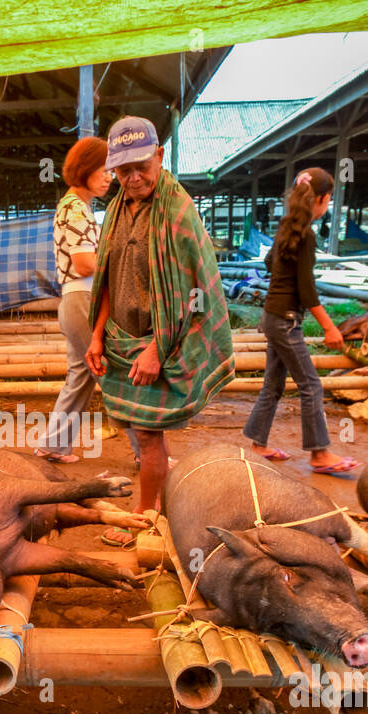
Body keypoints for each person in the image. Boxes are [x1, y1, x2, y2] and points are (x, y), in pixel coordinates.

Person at [84, 116, 234, 542]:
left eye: (141, 166)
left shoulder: (178, 212)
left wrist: (159, 350)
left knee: (148, 438)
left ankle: (144, 517)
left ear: (160, 156)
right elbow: (108, 278)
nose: (133, 178)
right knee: (141, 433)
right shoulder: (116, 209)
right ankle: (164, 509)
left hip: (160, 343)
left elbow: (197, 292)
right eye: (123, 170)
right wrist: (97, 334)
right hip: (119, 339)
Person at [243, 168, 358, 473]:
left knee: (273, 384)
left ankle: (258, 443)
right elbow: (307, 289)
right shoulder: (305, 236)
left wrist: (283, 279)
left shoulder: (286, 228)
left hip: (271, 315)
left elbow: (269, 262)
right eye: (329, 198)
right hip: (285, 320)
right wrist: (329, 326)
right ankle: (320, 455)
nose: (328, 204)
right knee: (311, 385)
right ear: (319, 199)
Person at [36, 136, 119, 463]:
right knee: (110, 373)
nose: (109, 177)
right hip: (83, 299)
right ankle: (147, 450)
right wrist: (119, 263)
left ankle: (53, 446)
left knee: (82, 376)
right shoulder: (74, 208)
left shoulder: (77, 206)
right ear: (85, 170)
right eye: (104, 170)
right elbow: (85, 263)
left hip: (75, 301)